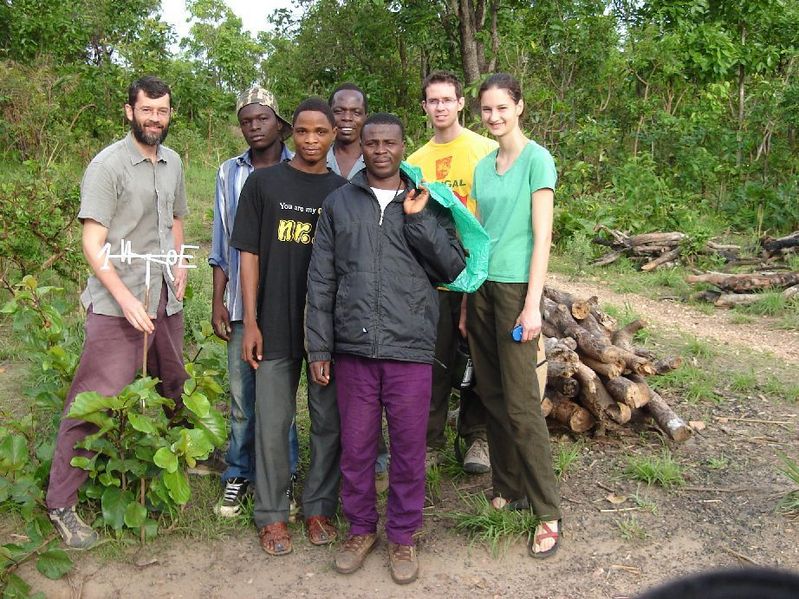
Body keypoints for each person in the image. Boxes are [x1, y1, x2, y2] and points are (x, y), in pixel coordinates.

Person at [306, 113, 466, 584]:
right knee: (356, 448)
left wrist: (419, 222)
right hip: (353, 349)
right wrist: (319, 348)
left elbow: (453, 268)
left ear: (402, 148)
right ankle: (360, 529)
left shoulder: (429, 203)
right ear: (362, 146)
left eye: (389, 143)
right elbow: (321, 280)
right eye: (372, 143)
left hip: (410, 349)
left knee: (409, 449)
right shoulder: (339, 203)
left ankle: (402, 537)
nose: (379, 150)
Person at [46, 76, 189, 549]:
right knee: (94, 400)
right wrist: (126, 299)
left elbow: (175, 220)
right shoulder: (107, 166)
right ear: (129, 111)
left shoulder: (173, 163)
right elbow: (92, 243)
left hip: (164, 298)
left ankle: (167, 471)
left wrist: (178, 265)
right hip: (117, 305)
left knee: (173, 387)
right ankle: (61, 505)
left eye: (162, 111)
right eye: (147, 110)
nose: (155, 119)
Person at [231, 97, 347, 556]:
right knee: (273, 421)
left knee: (327, 422)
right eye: (303, 131)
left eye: (321, 132)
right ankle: (273, 516)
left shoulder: (341, 192)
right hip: (274, 323)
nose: (312, 140)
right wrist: (252, 322)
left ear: (334, 134)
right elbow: (249, 255)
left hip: (326, 329)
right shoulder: (263, 184)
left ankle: (318, 507)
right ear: (290, 133)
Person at [467, 73, 562, 558]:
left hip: (515, 292)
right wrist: (467, 299)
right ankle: (508, 486)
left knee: (523, 402)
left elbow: (541, 237)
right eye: (487, 109)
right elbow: (479, 238)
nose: (494, 116)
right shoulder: (484, 168)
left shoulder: (537, 160)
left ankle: (547, 510)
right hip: (481, 290)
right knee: (492, 393)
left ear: (519, 107)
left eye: (502, 107)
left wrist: (531, 304)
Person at [209, 86, 301, 518]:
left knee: (280, 400)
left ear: (280, 124)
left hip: (285, 305)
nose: (253, 127)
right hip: (242, 306)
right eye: (246, 121)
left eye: (261, 119)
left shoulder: (299, 165)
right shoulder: (229, 172)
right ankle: (238, 474)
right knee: (243, 397)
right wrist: (218, 299)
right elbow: (222, 242)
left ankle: (286, 473)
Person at [407, 71, 497, 474]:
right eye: (433, 100)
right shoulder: (414, 161)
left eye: (447, 99)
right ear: (424, 107)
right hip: (438, 274)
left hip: (482, 268)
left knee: (480, 352)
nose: (440, 107)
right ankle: (429, 440)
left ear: (461, 103)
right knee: (436, 356)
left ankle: (478, 436)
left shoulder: (487, 150)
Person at [326, 82, 367, 179]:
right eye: (338, 111)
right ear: (327, 116)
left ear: (365, 118)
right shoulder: (315, 159)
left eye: (356, 113)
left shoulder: (377, 162)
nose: (347, 118)